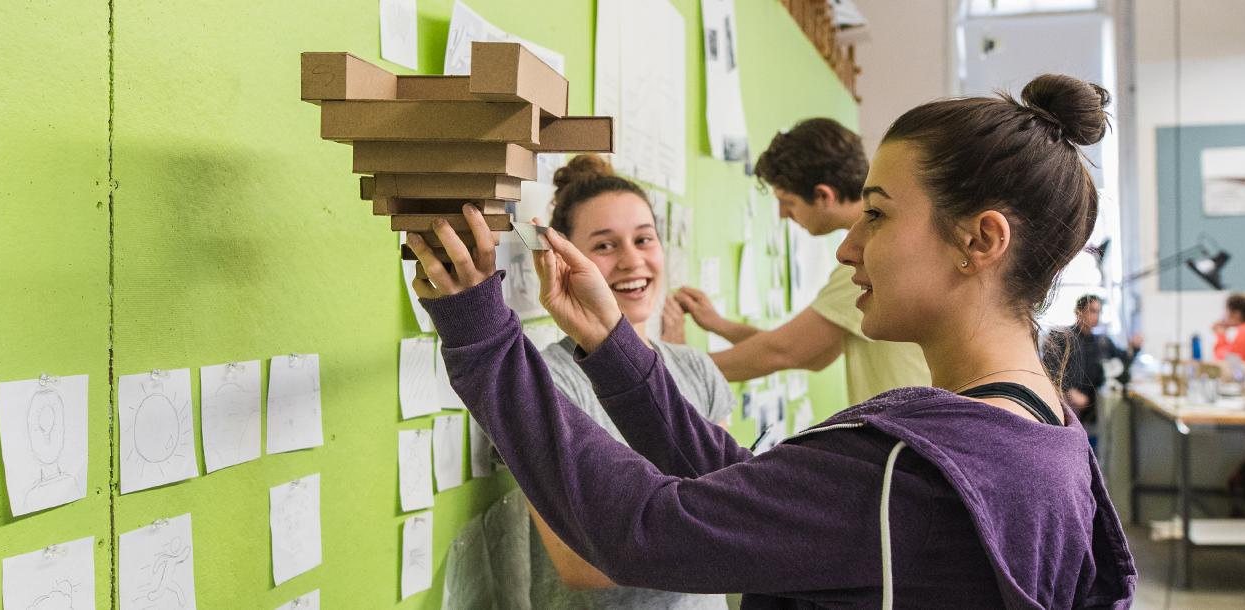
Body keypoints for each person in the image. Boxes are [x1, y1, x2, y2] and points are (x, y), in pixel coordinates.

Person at [405, 73, 1136, 607]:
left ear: (980, 240)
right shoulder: (1038, 431)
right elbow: (743, 489)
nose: (848, 249)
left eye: (876, 216)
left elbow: (644, 527)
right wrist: (612, 345)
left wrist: (481, 333)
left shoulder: (912, 470)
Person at [525, 154, 737, 609]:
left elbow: (729, 507)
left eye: (644, 239)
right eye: (604, 246)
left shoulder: (698, 369)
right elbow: (578, 563)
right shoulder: (551, 380)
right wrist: (731, 542)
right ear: (565, 260)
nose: (631, 260)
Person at [670, 118, 931, 404]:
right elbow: (815, 355)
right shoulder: (875, 250)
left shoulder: (870, 259)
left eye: (788, 202)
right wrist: (720, 325)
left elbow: (784, 351)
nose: (783, 214)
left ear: (823, 196)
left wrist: (671, 371)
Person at [1042, 294, 1141, 423]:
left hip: (1094, 406)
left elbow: (1123, 358)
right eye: (1092, 311)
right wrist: (1069, 391)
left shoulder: (1102, 342)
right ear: (1079, 312)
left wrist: (1134, 348)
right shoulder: (1062, 338)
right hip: (1068, 406)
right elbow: (1050, 366)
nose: (1096, 316)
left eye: (1099, 312)